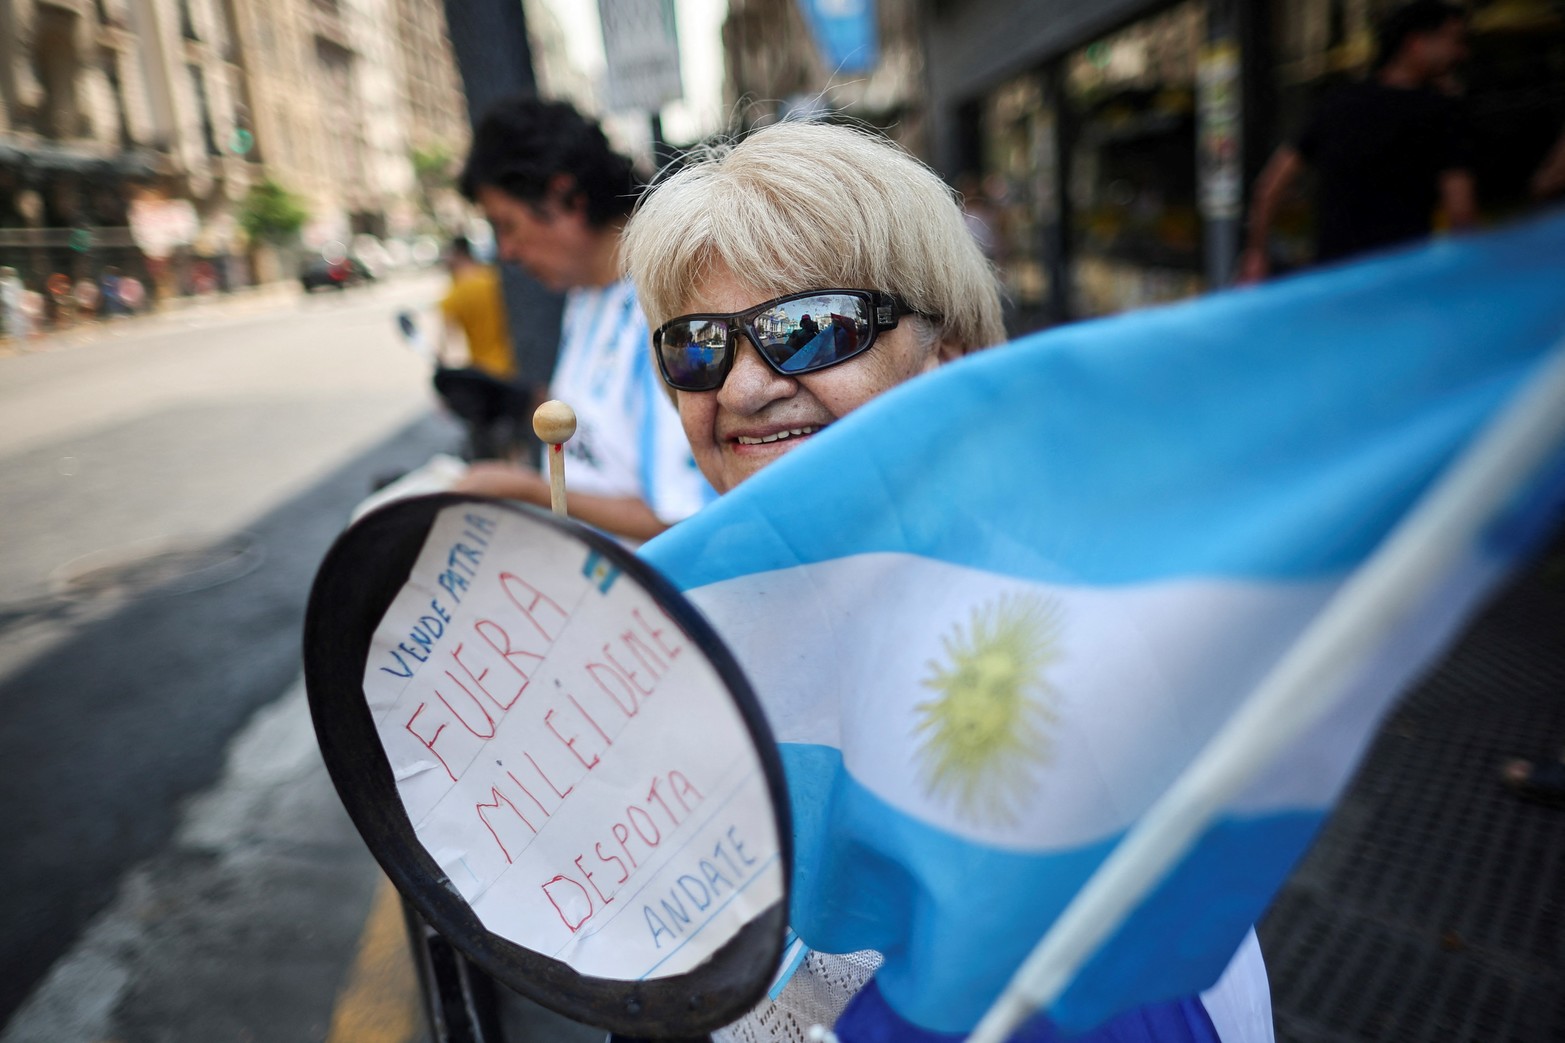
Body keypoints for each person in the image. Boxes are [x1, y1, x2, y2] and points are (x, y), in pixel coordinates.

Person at [621, 119, 1274, 1043]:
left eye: (811, 330)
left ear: (950, 356)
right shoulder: (704, 620)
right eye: (696, 346)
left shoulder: (1034, 662)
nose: (741, 388)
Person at [451, 97, 711, 541]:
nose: (507, 252)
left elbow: (685, 518)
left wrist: (528, 491)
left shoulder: (670, 306)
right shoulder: (584, 295)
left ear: (564, 196)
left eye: (507, 225)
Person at [1239, 0, 1475, 281]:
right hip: (1403, 281)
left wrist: (1256, 253)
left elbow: (1270, 186)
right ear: (1416, 43)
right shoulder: (1442, 113)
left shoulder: (1338, 103)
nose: (1461, 53)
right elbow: (1461, 212)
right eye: (1454, 41)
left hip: (1334, 280)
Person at [433, 235, 531, 461]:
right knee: (518, 443)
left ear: (457, 255)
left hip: (484, 381)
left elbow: (445, 347)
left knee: (489, 448)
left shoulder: (454, 295)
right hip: (513, 372)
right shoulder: (494, 279)